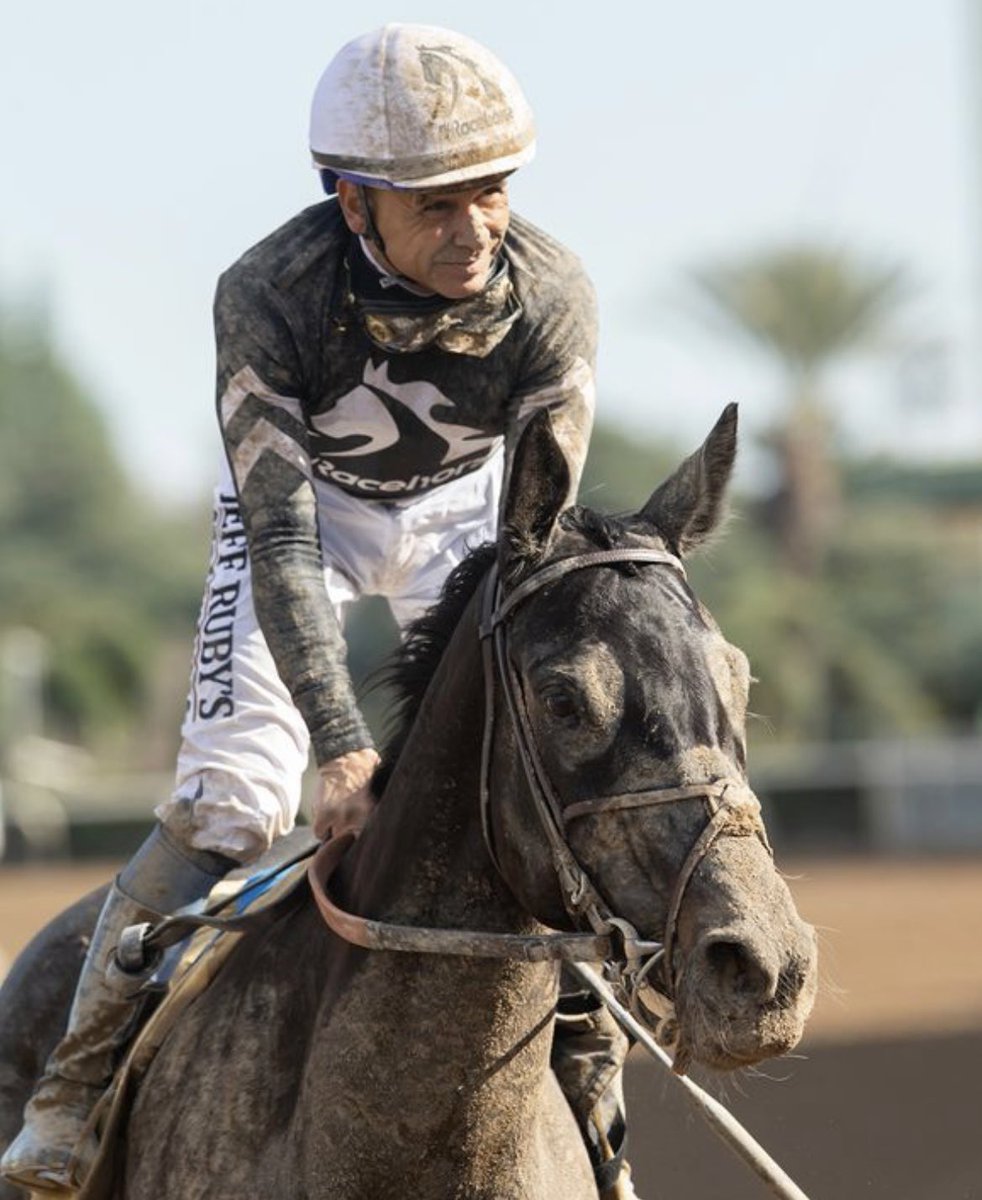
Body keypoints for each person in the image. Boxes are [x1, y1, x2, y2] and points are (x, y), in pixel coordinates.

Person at [1, 24, 636, 1198]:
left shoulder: (553, 294)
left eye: (490, 194)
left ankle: (597, 1109)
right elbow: (283, 537)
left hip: (469, 527)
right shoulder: (267, 291)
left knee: (524, 798)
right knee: (233, 805)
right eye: (435, 205)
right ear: (352, 201)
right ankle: (72, 1091)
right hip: (304, 521)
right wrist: (340, 749)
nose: (473, 229)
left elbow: (536, 534)